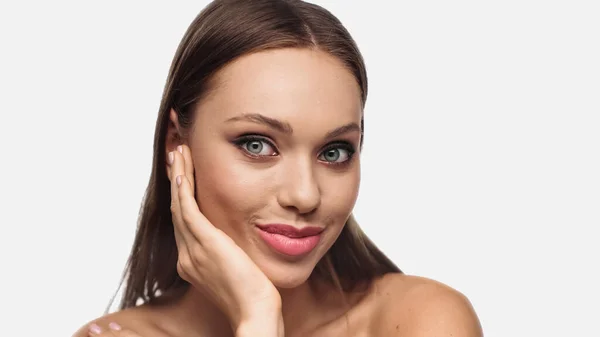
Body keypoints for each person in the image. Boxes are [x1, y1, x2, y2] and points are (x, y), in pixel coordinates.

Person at [74, 0, 482, 336]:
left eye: (335, 152)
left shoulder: (423, 322)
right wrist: (256, 317)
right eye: (257, 145)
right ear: (176, 143)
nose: (305, 195)